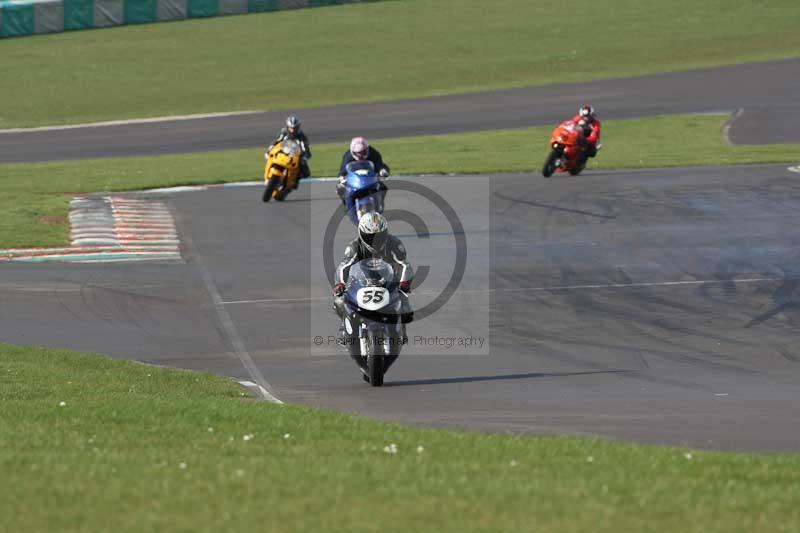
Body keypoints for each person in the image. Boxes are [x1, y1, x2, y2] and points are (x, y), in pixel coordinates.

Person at [332, 212, 412, 317]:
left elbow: (403, 265)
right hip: (361, 282)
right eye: (370, 237)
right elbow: (344, 266)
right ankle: (347, 326)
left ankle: (400, 332)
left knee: (405, 310)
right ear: (361, 234)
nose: (375, 241)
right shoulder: (355, 246)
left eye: (379, 236)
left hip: (389, 282)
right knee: (340, 302)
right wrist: (340, 284)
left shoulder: (394, 243)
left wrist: (404, 283)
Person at [269, 115, 311, 188]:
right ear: (287, 126)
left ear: (298, 127)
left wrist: (305, 156)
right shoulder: (284, 132)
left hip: (295, 154)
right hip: (283, 151)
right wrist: (270, 148)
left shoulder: (301, 135)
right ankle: (269, 172)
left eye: (295, 128)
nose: (293, 130)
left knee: (306, 172)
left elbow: (305, 147)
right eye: (291, 128)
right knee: (271, 155)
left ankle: (295, 180)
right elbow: (276, 141)